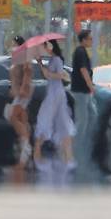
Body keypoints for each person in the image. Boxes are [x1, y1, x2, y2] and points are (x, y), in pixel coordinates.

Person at [34, 40, 76, 165]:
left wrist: (44, 68)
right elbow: (48, 75)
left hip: (56, 95)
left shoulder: (57, 60)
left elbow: (58, 76)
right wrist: (40, 63)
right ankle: (66, 157)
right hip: (54, 94)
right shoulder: (52, 60)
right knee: (59, 123)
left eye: (45, 45)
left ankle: (66, 157)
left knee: (49, 121)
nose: (44, 48)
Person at [70, 29, 97, 166]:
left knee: (92, 115)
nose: (92, 41)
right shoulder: (80, 52)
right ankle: (76, 146)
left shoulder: (82, 51)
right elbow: (83, 70)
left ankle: (87, 142)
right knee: (82, 120)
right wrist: (90, 85)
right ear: (84, 40)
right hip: (81, 91)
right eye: (90, 39)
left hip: (84, 91)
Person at [8, 35, 34, 165]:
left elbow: (28, 72)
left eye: (13, 43)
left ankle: (26, 145)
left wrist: (23, 88)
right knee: (22, 118)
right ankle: (25, 150)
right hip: (18, 90)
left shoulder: (25, 56)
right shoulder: (18, 56)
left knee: (12, 116)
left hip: (24, 91)